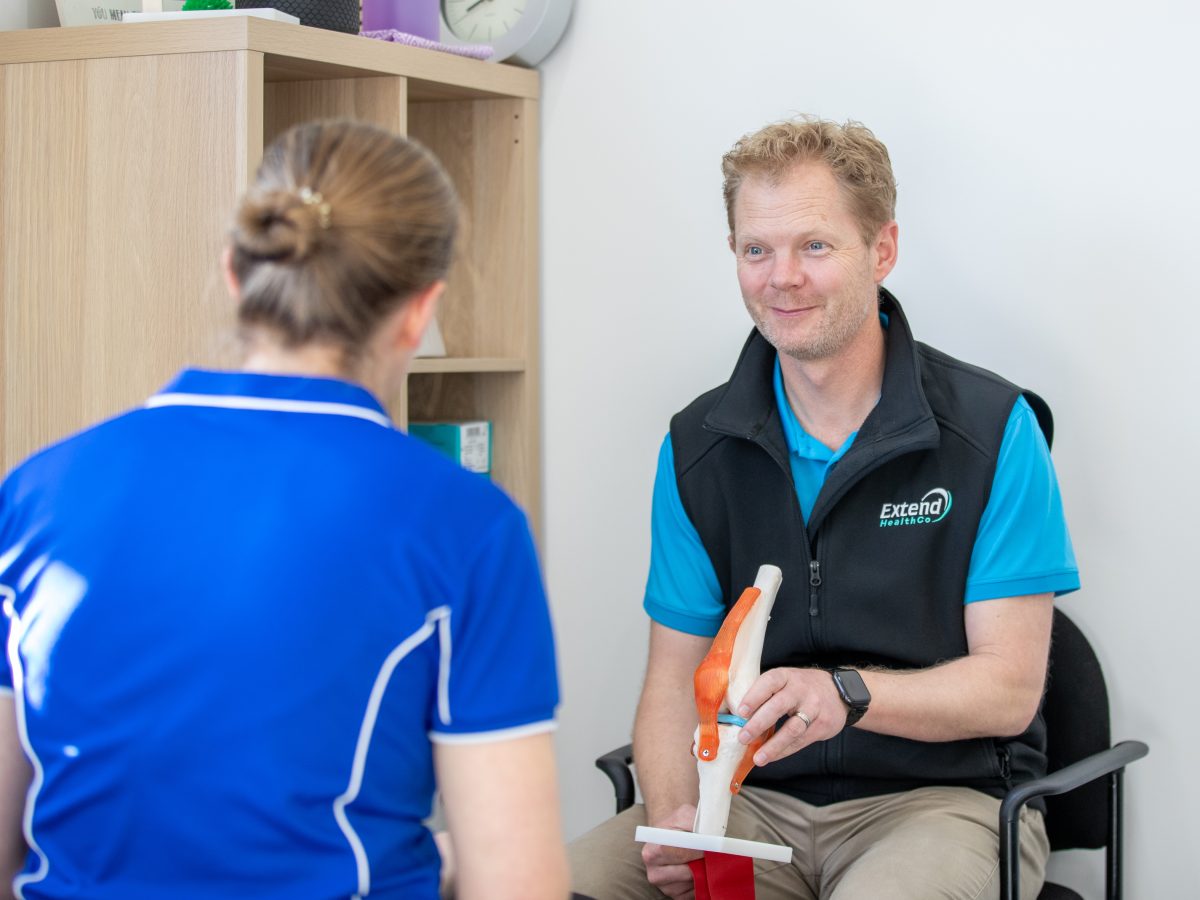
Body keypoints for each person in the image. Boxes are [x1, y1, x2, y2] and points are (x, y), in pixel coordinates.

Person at [0, 120, 569, 900]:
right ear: (418, 310)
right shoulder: (465, 525)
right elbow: (517, 885)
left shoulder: (36, 490)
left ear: (236, 271)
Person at [569, 117, 1079, 899]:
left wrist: (845, 693)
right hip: (746, 800)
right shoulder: (696, 447)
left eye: (814, 245)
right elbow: (676, 682)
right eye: (755, 249)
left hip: (939, 804)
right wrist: (679, 815)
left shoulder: (991, 429)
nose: (781, 278)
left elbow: (1008, 690)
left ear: (881, 250)